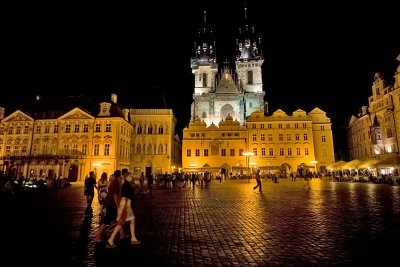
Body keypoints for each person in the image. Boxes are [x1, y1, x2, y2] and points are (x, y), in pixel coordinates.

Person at [107, 171, 140, 247]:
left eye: (132, 176)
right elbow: (127, 197)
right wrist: (123, 209)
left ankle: (133, 238)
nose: (132, 177)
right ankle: (110, 240)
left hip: (127, 205)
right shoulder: (126, 185)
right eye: (131, 176)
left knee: (132, 220)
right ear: (126, 177)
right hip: (126, 206)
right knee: (120, 223)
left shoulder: (127, 184)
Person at [95, 169, 127, 243]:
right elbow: (115, 196)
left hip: (109, 203)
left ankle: (122, 234)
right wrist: (117, 206)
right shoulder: (115, 182)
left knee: (117, 219)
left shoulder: (113, 182)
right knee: (106, 221)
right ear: (120, 175)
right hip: (111, 204)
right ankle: (98, 236)